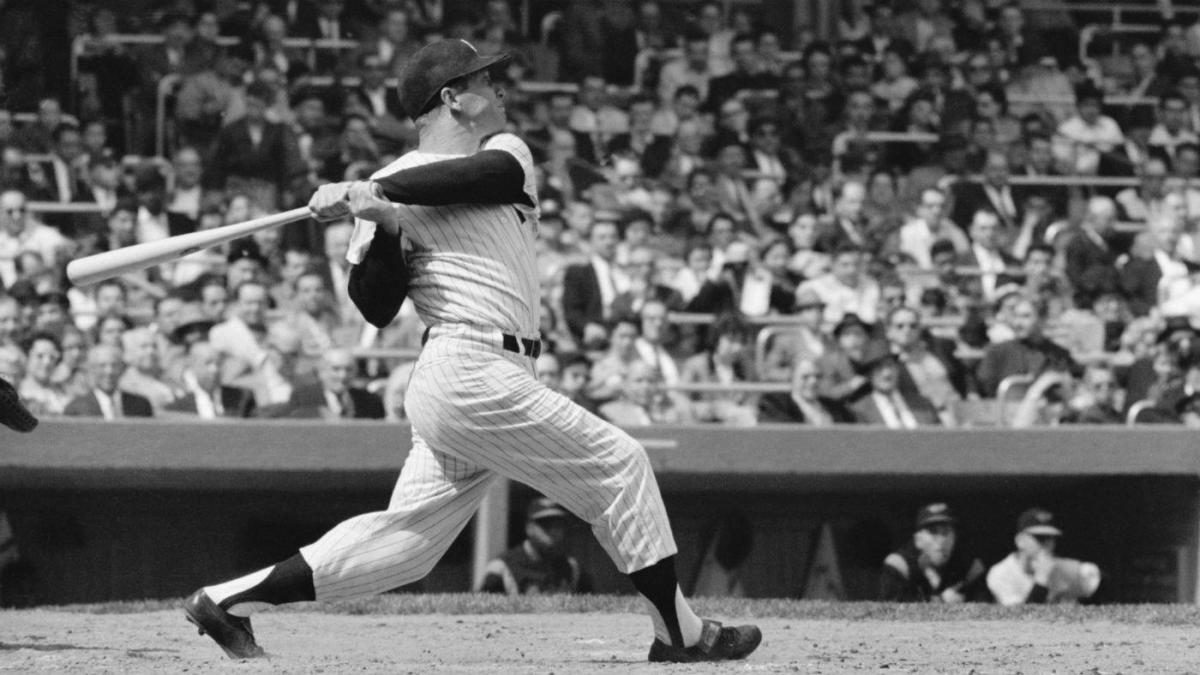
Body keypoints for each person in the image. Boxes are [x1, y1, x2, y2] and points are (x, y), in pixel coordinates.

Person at [183, 40, 761, 664]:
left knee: (409, 545)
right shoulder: (382, 196)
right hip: (465, 365)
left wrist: (372, 190)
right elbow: (375, 305)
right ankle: (680, 636)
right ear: (452, 98)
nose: (500, 89)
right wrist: (384, 224)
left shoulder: (501, 153)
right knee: (621, 465)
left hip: (490, 374)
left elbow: (480, 179)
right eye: (485, 80)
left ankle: (225, 600)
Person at [479, 497, 592, 595]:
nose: (553, 531)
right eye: (545, 524)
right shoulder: (502, 568)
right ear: (529, 528)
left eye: (557, 525)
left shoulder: (571, 567)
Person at [986, 508, 1101, 606]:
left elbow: (1102, 590)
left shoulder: (1064, 567)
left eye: (1050, 538)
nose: (1047, 543)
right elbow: (1021, 619)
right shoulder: (1001, 573)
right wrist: (1041, 580)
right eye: (1040, 538)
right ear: (1020, 541)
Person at [880, 503, 987, 602]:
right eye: (933, 532)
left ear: (955, 538)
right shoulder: (900, 565)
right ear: (918, 539)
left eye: (946, 532)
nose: (941, 540)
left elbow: (984, 605)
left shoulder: (970, 567)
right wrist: (941, 601)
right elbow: (891, 607)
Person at [63, 345, 154, 419]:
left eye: (114, 365)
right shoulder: (76, 408)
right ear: (92, 369)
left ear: (122, 369)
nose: (109, 372)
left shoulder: (141, 405)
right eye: (102, 366)